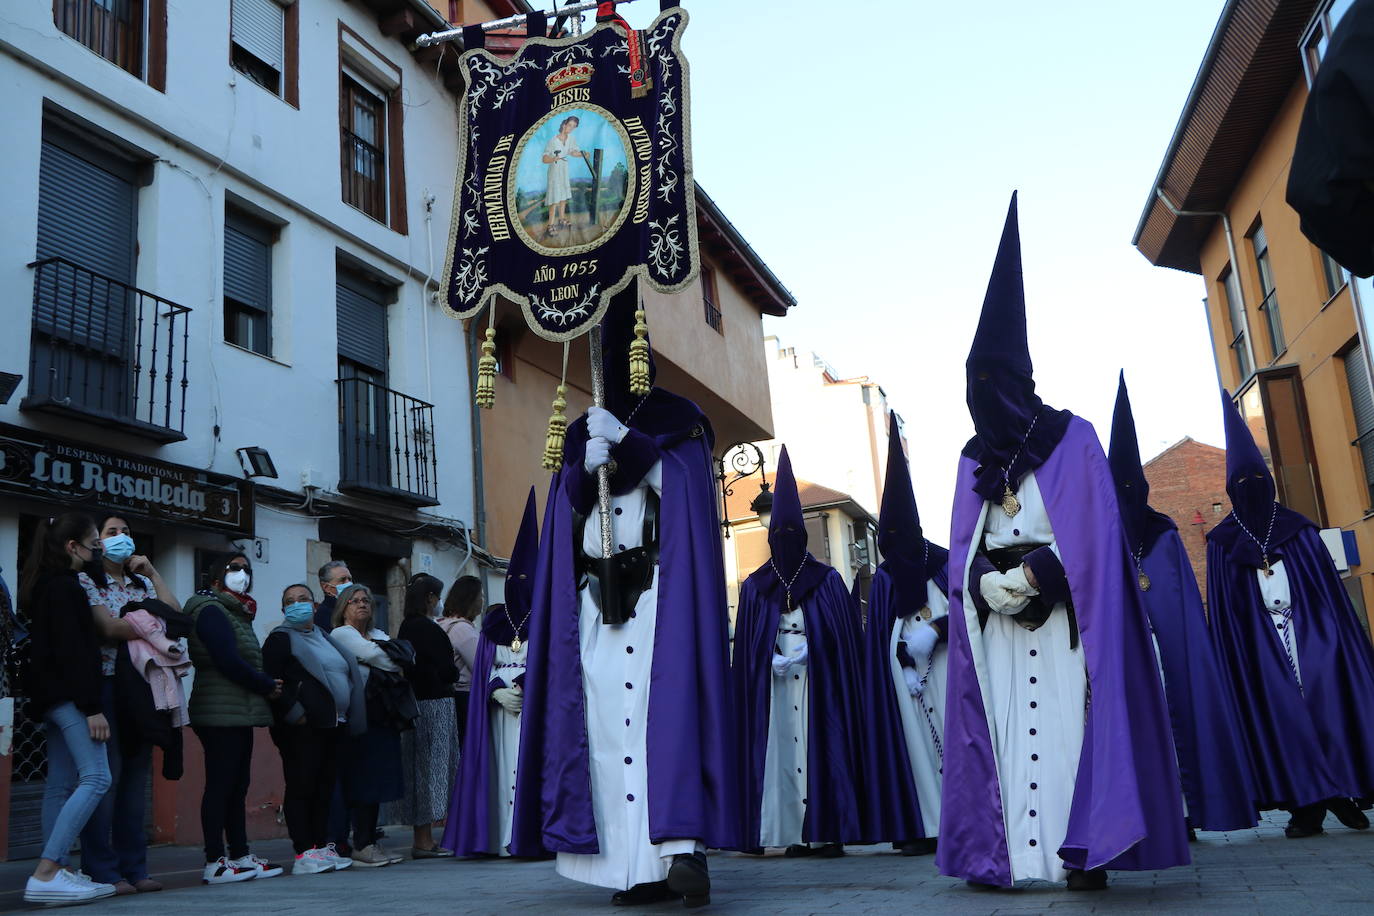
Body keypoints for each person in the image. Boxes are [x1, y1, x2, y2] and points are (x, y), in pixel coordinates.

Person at [937, 194, 1188, 891]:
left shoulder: (1073, 439)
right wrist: (984, 582)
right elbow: (963, 547)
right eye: (971, 386)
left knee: (1072, 730)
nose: (981, 397)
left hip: (1063, 621)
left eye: (992, 383)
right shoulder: (969, 458)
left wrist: (1042, 573)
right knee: (1010, 731)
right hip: (1000, 630)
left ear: (1020, 381)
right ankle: (1011, 854)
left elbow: (1100, 540)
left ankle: (1083, 849)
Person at [515, 292, 737, 908]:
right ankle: (633, 871)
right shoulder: (583, 425)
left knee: (663, 727)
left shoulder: (681, 421)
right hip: (597, 604)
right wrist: (583, 474)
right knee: (608, 733)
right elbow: (569, 520)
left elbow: (691, 500)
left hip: (660, 600)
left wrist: (638, 451)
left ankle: (680, 853)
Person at [1207, 386, 1374, 838]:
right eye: (1242, 486)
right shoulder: (1222, 544)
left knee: (1328, 713)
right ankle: (1308, 805)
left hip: (1313, 638)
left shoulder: (1298, 530)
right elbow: (1227, 612)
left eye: (1258, 483)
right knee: (1284, 722)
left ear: (1271, 483)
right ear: (1230, 490)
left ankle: (1342, 793)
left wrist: (1331, 639)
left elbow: (1327, 596)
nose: (1251, 491)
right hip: (1261, 650)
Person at [1108, 375, 1257, 836]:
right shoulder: (1102, 538)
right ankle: (1155, 814)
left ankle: (1191, 811)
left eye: (1135, 485)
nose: (1129, 494)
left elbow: (1184, 604)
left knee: (1182, 722)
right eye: (1120, 486)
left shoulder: (1166, 534)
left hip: (1170, 654)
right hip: (1131, 655)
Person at [732, 446, 871, 859]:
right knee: (780, 749)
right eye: (780, 535)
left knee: (819, 744)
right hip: (774, 685)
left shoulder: (826, 580)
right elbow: (749, 642)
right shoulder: (756, 586)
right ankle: (789, 831)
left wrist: (814, 651)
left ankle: (825, 832)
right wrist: (767, 657)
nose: (786, 541)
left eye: (793, 534)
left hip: (817, 681)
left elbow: (843, 637)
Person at [861, 411, 951, 857]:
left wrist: (936, 630)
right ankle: (924, 824)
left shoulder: (946, 562)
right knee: (916, 748)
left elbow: (973, 616)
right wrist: (903, 661)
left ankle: (962, 817)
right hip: (908, 683)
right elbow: (881, 636)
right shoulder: (883, 579)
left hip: (950, 669)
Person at [75, 515, 178, 895]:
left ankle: (135, 868)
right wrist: (155, 624)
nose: (121, 538)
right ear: (97, 542)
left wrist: (153, 572)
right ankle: (102, 870)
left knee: (136, 780)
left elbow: (175, 614)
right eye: (111, 533)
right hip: (106, 686)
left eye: (126, 532)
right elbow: (108, 628)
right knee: (108, 778)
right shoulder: (86, 580)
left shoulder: (142, 582)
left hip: (143, 685)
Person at [21, 513, 117, 905]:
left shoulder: (44, 586)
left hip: (51, 696)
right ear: (71, 547)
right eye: (95, 543)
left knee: (60, 784)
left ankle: (55, 870)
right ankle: (47, 871)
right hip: (70, 697)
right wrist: (92, 706)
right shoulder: (66, 588)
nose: (99, 549)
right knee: (97, 777)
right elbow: (74, 651)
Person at [443, 488, 542, 858]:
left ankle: (526, 836)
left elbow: (555, 666)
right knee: (499, 770)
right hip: (500, 711)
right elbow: (482, 664)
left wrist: (528, 686)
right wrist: (496, 688)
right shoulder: (496, 622)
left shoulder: (547, 621)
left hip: (533, 711)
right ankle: (499, 836)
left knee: (527, 767)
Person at [183, 553, 284, 885]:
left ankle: (240, 854)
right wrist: (266, 685)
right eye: (234, 568)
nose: (242, 574)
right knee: (221, 786)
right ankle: (215, 861)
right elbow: (227, 660)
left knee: (237, 786)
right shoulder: (210, 610)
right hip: (218, 711)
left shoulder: (237, 613)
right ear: (215, 577)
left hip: (237, 710)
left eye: (247, 569)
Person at [262, 584, 365, 875]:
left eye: (303, 599)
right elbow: (271, 684)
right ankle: (303, 851)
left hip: (333, 725)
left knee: (323, 788)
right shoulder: (279, 640)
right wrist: (296, 714)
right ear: (283, 610)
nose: (297, 605)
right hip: (300, 728)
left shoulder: (325, 638)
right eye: (290, 601)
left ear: (315, 606)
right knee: (302, 786)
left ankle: (320, 847)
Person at [329, 583, 408, 867]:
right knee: (361, 779)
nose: (362, 604)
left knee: (378, 780)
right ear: (343, 608)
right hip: (357, 717)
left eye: (366, 600)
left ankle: (369, 841)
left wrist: (382, 655)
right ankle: (360, 843)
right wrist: (383, 656)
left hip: (382, 715)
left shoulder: (377, 634)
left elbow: (402, 659)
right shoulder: (341, 633)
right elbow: (381, 657)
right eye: (354, 601)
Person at [391, 573, 459, 858]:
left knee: (419, 771)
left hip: (415, 704)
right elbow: (447, 669)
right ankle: (425, 839)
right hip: (436, 704)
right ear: (430, 598)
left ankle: (422, 837)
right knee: (434, 770)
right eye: (438, 597)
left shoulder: (406, 626)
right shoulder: (429, 629)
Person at [437, 576, 481, 744]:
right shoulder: (462, 629)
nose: (482, 601)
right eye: (480, 596)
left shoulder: (444, 624)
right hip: (465, 696)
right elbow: (481, 665)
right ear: (470, 599)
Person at [541, 115, 588, 235]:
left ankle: (561, 219)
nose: (571, 128)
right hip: (555, 169)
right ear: (564, 124)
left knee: (563, 195)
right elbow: (544, 158)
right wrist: (553, 158)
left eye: (574, 127)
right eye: (570, 125)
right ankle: (550, 225)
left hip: (564, 169)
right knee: (555, 197)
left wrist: (582, 154)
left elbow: (572, 152)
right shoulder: (552, 141)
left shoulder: (571, 138)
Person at [315, 561, 352, 633]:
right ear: (326, 587)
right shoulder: (323, 615)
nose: (348, 583)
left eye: (350, 579)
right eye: (342, 580)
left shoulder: (353, 608)